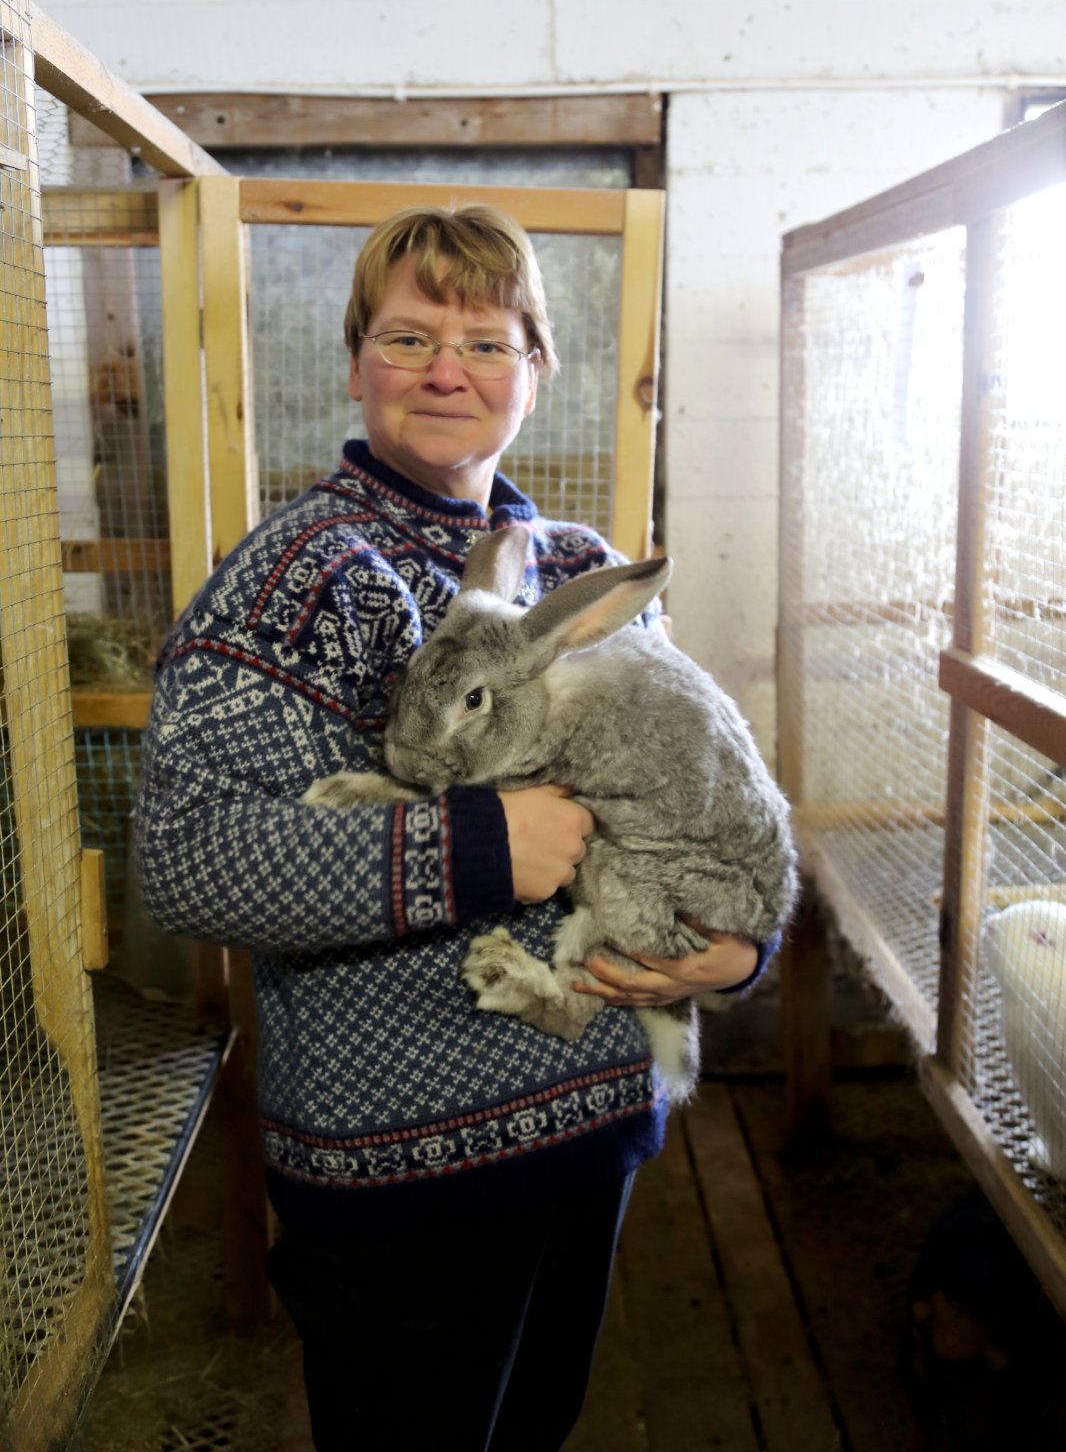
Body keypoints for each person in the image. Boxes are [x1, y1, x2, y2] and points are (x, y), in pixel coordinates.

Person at [135, 204, 779, 1451]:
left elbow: (712, 792)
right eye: (409, 335)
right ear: (357, 360)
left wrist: (736, 951)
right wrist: (478, 845)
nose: (447, 370)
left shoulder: (582, 569)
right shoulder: (297, 578)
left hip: (593, 1138)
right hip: (403, 1183)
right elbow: (188, 861)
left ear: (535, 373)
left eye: (487, 342)